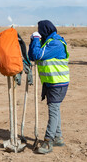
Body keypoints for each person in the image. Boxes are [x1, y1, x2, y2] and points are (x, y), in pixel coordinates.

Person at [28, 20, 69, 154]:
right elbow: (32, 56)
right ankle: (58, 137)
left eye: (40, 30)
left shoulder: (55, 43)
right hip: (51, 82)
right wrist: (33, 41)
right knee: (55, 109)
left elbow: (37, 55)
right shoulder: (47, 42)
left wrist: (35, 40)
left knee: (53, 109)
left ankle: (48, 141)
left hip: (58, 83)